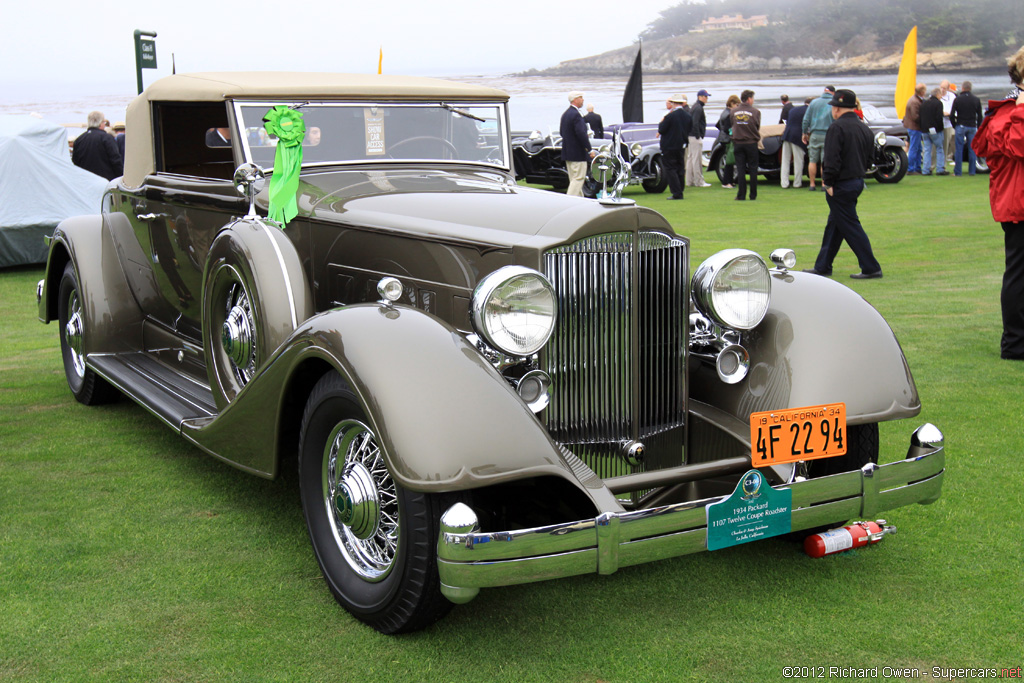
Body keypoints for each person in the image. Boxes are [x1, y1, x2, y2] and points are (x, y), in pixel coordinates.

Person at [972, 45, 1024, 360]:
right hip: (1018, 204)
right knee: (1018, 272)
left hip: (1015, 200)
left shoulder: (1005, 110)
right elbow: (1017, 146)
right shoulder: (1008, 112)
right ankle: (1015, 343)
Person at [804, 89, 883, 280]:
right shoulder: (864, 127)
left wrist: (828, 182)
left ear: (837, 109)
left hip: (840, 183)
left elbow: (832, 158)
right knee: (836, 224)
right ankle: (823, 266)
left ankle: (871, 267)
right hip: (857, 180)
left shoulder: (837, 128)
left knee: (850, 225)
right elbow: (871, 157)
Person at [559, 91, 595, 197]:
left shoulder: (565, 114)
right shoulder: (576, 115)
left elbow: (562, 132)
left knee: (574, 179)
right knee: (578, 179)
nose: (583, 100)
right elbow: (581, 133)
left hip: (568, 153)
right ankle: (568, 202)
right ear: (575, 100)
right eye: (581, 98)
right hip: (578, 154)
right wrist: (589, 149)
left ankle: (580, 202)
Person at [657, 94, 692, 200]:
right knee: (680, 168)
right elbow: (689, 127)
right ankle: (680, 189)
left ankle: (676, 192)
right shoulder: (687, 116)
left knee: (671, 168)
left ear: (673, 103)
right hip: (681, 145)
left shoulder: (670, 116)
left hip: (669, 146)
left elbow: (662, 129)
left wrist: (662, 121)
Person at [71, 110, 122, 180]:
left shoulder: (79, 140)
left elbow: (75, 162)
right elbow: (115, 160)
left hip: (86, 180)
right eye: (104, 122)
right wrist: (121, 177)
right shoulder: (107, 138)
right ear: (100, 123)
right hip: (105, 180)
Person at [802, 85, 836, 190]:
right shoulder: (834, 103)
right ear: (833, 93)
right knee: (824, 161)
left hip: (815, 134)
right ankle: (823, 184)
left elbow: (805, 120)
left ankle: (812, 184)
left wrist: (804, 133)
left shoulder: (814, 103)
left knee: (812, 160)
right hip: (828, 134)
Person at [729, 89, 761, 201]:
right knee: (753, 169)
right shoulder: (756, 112)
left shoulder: (733, 112)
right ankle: (753, 195)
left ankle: (741, 195)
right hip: (751, 143)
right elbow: (757, 126)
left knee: (741, 169)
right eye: (752, 98)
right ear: (749, 99)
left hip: (738, 142)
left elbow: (732, 125)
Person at [950, 81, 983, 176]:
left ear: (962, 88)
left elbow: (952, 115)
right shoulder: (976, 99)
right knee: (972, 149)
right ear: (970, 88)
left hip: (961, 125)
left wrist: (954, 125)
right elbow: (979, 115)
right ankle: (972, 171)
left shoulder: (958, 99)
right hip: (972, 125)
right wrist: (978, 126)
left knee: (959, 149)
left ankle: (958, 171)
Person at [780, 97, 810, 188]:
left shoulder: (794, 109)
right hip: (798, 137)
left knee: (785, 160)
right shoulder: (809, 111)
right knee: (798, 161)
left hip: (787, 135)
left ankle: (784, 183)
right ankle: (797, 183)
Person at [686, 89, 711, 187]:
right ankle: (699, 181)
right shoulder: (698, 108)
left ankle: (690, 180)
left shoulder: (696, 107)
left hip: (691, 135)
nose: (706, 98)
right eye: (705, 97)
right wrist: (698, 135)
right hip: (694, 136)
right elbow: (695, 122)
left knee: (691, 158)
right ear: (700, 97)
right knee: (696, 159)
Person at [920, 88, 948, 175]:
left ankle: (925, 170)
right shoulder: (938, 103)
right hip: (935, 130)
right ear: (937, 94)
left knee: (927, 150)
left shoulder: (924, 103)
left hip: (924, 129)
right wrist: (940, 128)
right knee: (939, 149)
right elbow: (939, 117)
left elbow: (921, 116)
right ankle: (940, 169)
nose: (941, 97)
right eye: (940, 95)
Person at [714, 95, 740, 189]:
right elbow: (727, 128)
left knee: (729, 160)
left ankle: (730, 181)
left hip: (723, 139)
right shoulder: (728, 114)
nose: (738, 107)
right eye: (737, 105)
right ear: (732, 103)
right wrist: (733, 134)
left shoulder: (725, 112)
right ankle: (726, 182)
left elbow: (718, 125)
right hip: (727, 140)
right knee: (729, 161)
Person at [903, 83, 926, 174]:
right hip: (914, 128)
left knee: (918, 148)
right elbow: (915, 116)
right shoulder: (915, 102)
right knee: (913, 148)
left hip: (914, 127)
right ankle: (910, 168)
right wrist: (924, 119)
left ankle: (917, 167)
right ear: (922, 91)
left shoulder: (915, 100)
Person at [940, 80, 957, 167]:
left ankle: (943, 164)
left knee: (946, 145)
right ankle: (936, 165)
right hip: (939, 123)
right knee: (937, 146)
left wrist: (949, 114)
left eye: (944, 88)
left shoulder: (952, 96)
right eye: (941, 88)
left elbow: (954, 109)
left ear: (948, 88)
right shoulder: (936, 95)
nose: (942, 90)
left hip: (948, 123)